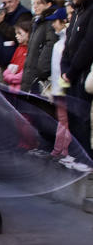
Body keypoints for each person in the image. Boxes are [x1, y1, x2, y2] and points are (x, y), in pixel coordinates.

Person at [61, 0, 93, 158]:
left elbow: (87, 46)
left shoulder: (90, 11)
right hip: (70, 76)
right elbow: (68, 43)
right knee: (71, 118)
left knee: (83, 121)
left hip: (81, 76)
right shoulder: (77, 12)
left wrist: (71, 71)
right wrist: (65, 69)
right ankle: (78, 157)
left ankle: (86, 160)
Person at [48, 8, 73, 165]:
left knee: (64, 121)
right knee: (63, 120)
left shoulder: (64, 43)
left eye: (54, 21)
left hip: (63, 89)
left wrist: (60, 88)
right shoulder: (60, 43)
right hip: (59, 88)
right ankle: (60, 150)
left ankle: (61, 150)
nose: (52, 24)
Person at [21, 0, 57, 93]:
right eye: (34, 3)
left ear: (48, 5)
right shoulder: (36, 22)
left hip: (39, 76)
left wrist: (41, 71)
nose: (35, 6)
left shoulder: (49, 22)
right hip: (31, 72)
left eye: (39, 3)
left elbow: (50, 45)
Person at [2, 20, 30, 92]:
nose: (16, 36)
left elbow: (24, 74)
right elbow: (11, 67)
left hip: (21, 88)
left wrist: (9, 77)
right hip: (13, 87)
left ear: (28, 33)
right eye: (16, 33)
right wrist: (8, 76)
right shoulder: (19, 48)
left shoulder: (30, 50)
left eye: (19, 33)